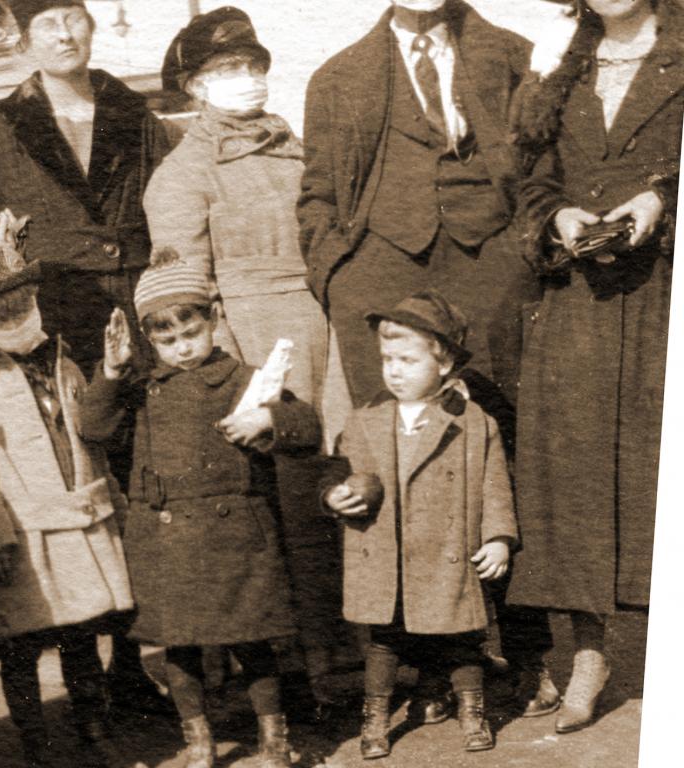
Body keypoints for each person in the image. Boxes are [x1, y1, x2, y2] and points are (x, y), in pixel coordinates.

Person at [297, 0, 556, 719]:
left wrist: (516, 257)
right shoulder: (336, 77)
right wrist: (336, 274)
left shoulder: (511, 52)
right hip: (378, 272)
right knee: (396, 466)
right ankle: (434, 670)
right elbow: (316, 192)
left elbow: (540, 164)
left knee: (502, 456)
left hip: (488, 266)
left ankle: (529, 654)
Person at [0, 0, 174, 715]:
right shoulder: (1, 129)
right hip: (61, 329)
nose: (66, 33)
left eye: (75, 17)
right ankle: (102, 670)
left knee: (148, 480)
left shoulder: (135, 115)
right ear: (23, 40)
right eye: (48, 24)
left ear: (91, 28)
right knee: (90, 488)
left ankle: (157, 656)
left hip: (143, 314)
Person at [145, 6, 351, 715]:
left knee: (342, 480)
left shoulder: (294, 148)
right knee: (283, 505)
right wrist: (241, 383)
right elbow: (185, 295)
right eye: (226, 71)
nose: (246, 80)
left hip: (325, 330)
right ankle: (299, 673)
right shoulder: (183, 173)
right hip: (258, 343)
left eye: (253, 66)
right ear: (195, 87)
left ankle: (350, 651)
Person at [506, 0, 680, 734]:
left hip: (665, 291)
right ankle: (588, 655)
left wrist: (663, 198)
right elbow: (527, 180)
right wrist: (558, 218)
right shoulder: (554, 62)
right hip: (579, 295)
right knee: (574, 477)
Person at [78, 252, 321, 768]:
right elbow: (94, 429)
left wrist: (269, 420)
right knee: (179, 648)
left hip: (236, 536)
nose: (183, 349)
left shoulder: (245, 381)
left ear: (214, 320)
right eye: (166, 340)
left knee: (252, 641)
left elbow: (307, 426)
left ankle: (274, 741)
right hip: (166, 539)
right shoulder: (142, 388)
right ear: (149, 340)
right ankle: (199, 740)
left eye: (191, 332)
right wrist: (111, 371)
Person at [0, 209, 134, 766]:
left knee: (82, 630)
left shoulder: (61, 358)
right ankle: (35, 740)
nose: (12, 316)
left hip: (75, 518)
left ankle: (93, 727)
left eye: (19, 303)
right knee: (19, 646)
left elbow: (88, 432)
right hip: (18, 535)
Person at [323, 290, 518, 757]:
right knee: (384, 643)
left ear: (445, 363)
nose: (394, 370)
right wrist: (336, 494)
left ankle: (473, 712)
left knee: (463, 638)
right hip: (386, 554)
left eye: (408, 360)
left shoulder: (472, 421)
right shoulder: (366, 417)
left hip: (447, 548)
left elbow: (495, 486)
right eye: (388, 358)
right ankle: (374, 721)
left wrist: (498, 539)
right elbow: (339, 468)